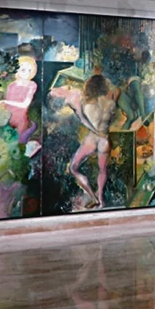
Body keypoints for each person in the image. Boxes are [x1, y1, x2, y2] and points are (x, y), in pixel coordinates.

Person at [52, 73, 117, 209]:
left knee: (73, 167)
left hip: (92, 138)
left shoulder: (85, 103)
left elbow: (83, 119)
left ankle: (93, 196)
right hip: (104, 139)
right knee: (102, 169)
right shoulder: (110, 102)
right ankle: (100, 200)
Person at [0, 55, 39, 144]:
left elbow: (25, 104)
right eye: (23, 70)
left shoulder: (31, 85)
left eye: (29, 70)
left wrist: (4, 101)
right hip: (8, 118)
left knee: (19, 143)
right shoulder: (12, 85)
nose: (27, 73)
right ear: (17, 70)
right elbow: (7, 106)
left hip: (21, 119)